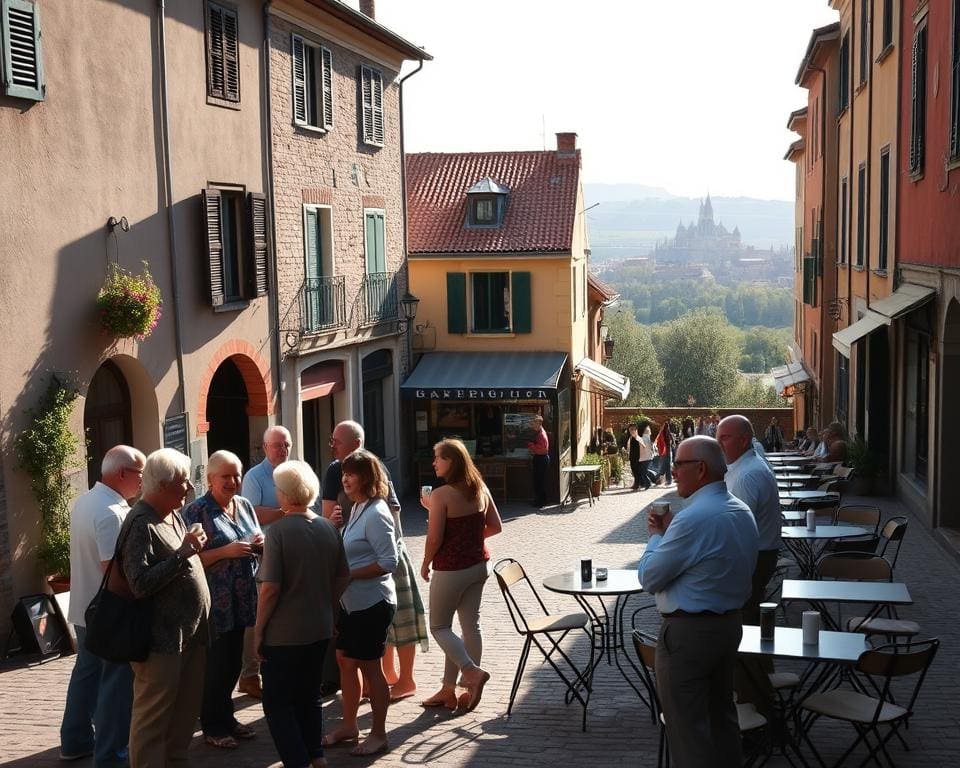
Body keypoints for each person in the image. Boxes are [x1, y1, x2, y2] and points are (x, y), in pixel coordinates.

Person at [637, 436, 758, 768]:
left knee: (688, 731)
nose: (673, 471)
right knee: (723, 720)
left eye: (678, 464)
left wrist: (656, 538)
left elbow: (649, 578)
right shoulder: (740, 510)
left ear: (700, 469)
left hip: (689, 634)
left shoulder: (694, 518)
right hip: (729, 625)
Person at [321, 420, 428, 702]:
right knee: (382, 634)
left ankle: (396, 682)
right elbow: (333, 518)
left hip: (373, 562)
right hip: (369, 556)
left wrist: (385, 540)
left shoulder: (367, 478)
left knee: (397, 623)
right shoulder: (361, 475)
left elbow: (391, 516)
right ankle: (388, 678)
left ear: (356, 444)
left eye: (337, 441)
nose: (332, 445)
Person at [120, 448, 211, 768]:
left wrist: (188, 545)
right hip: (161, 641)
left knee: (183, 716)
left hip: (188, 636)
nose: (189, 489)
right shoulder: (140, 523)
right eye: (182, 483)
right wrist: (182, 554)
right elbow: (139, 583)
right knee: (153, 719)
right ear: (160, 486)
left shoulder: (171, 513)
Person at [255, 460, 349, 768]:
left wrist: (258, 632)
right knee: (309, 695)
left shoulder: (278, 533)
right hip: (319, 628)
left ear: (283, 494)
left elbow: (269, 589)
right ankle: (316, 757)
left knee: (278, 703)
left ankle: (299, 762)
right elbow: (341, 577)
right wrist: (330, 609)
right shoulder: (327, 528)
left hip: (283, 634)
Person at [60, 445, 145, 767]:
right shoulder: (112, 512)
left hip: (85, 608)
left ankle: (76, 740)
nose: (142, 481)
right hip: (108, 614)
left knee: (86, 674)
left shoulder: (84, 502)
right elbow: (113, 571)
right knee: (115, 686)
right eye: (140, 473)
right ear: (122, 473)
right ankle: (111, 755)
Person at [183, 451, 263, 749]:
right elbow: (187, 559)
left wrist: (260, 543)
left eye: (236, 475)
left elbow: (254, 534)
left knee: (232, 664)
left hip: (242, 598)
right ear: (210, 479)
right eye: (225, 476)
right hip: (215, 603)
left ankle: (227, 718)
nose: (232, 481)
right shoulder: (196, 512)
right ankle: (213, 726)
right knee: (215, 667)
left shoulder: (242, 505)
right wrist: (224, 552)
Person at [322, 449, 397, 757]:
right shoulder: (356, 508)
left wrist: (350, 575)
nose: (345, 479)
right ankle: (349, 726)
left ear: (366, 477)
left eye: (351, 474)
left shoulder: (377, 512)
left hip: (372, 603)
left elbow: (389, 561)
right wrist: (335, 529)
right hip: (352, 604)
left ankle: (379, 734)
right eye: (344, 474)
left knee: (371, 669)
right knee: (344, 661)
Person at [420, 438, 502, 712]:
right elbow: (495, 526)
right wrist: (468, 539)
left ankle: (471, 673)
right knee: (470, 627)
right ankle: (452, 690)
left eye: (438, 457)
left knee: (439, 627)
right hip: (478, 565)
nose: (434, 462)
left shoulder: (442, 495)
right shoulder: (479, 486)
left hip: (451, 569)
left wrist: (424, 563)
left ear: (451, 461)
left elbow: (434, 539)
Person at [238, 424, 292, 698]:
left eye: (287, 445)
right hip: (265, 556)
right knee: (257, 615)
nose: (283, 450)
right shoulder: (255, 476)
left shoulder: (294, 470)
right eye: (278, 445)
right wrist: (289, 512)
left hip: (289, 552)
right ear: (264, 448)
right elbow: (252, 513)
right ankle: (249, 675)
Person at [715, 416, 781, 624]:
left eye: (724, 438)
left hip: (753, 558)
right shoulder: (745, 466)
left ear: (743, 441)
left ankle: (749, 656)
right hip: (757, 555)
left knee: (744, 621)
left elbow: (738, 527)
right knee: (746, 617)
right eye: (717, 438)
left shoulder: (748, 475)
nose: (718, 444)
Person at [526, 414, 550, 507]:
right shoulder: (540, 432)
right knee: (539, 480)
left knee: (539, 481)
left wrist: (531, 445)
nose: (532, 425)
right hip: (541, 458)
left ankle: (540, 502)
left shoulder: (541, 435)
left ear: (539, 423)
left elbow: (541, 448)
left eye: (534, 423)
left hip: (541, 459)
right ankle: (541, 500)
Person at [655, 422, 675, 487]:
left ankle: (663, 479)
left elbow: (658, 442)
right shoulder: (669, 434)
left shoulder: (662, 434)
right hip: (668, 451)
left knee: (665, 465)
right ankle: (668, 480)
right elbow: (672, 443)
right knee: (667, 465)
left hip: (664, 451)